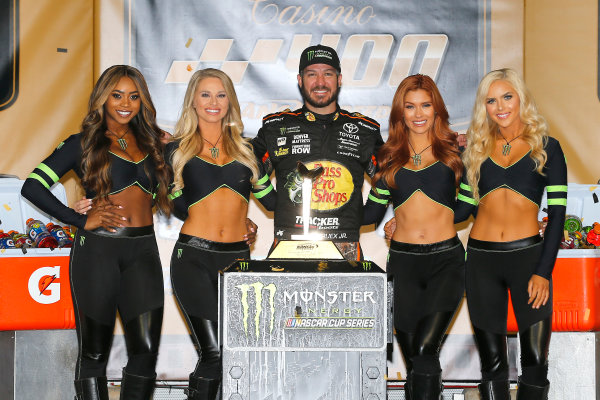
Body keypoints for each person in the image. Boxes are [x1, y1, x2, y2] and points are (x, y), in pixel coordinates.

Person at [21, 65, 172, 400]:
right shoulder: (82, 143)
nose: (125, 103)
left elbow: (183, 195)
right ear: (103, 98)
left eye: (134, 96)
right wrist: (78, 220)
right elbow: (33, 186)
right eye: (116, 95)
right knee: (94, 354)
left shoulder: (154, 142)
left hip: (143, 253)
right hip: (97, 254)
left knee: (146, 352)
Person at [456, 68, 567, 400]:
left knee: (535, 362)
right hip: (480, 262)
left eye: (507, 97)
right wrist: (410, 218)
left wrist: (543, 272)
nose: (500, 106)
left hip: (528, 259)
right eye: (491, 100)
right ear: (483, 107)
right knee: (492, 366)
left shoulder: (548, 147)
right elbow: (462, 211)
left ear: (522, 99)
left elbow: (558, 215)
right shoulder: (473, 149)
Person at [166, 68, 276, 400]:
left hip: (238, 263)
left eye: (221, 94)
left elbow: (271, 202)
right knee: (215, 354)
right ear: (193, 102)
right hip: (193, 258)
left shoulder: (248, 150)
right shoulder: (175, 150)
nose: (213, 102)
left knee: (233, 354)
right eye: (206, 94)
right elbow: (178, 207)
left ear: (230, 101)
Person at [363, 74, 465, 400]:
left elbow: (466, 211)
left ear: (437, 111)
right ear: (400, 112)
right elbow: (368, 216)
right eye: (410, 106)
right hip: (403, 266)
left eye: (425, 105)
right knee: (418, 364)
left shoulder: (456, 155)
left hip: (446, 263)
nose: (418, 114)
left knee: (423, 351)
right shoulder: (388, 160)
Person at [251, 44, 384, 260]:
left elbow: (392, 172)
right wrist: (272, 201)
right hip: (289, 243)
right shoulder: (277, 126)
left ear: (339, 79)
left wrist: (369, 214)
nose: (320, 82)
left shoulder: (364, 129)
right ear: (300, 79)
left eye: (328, 74)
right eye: (312, 74)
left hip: (345, 246)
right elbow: (243, 160)